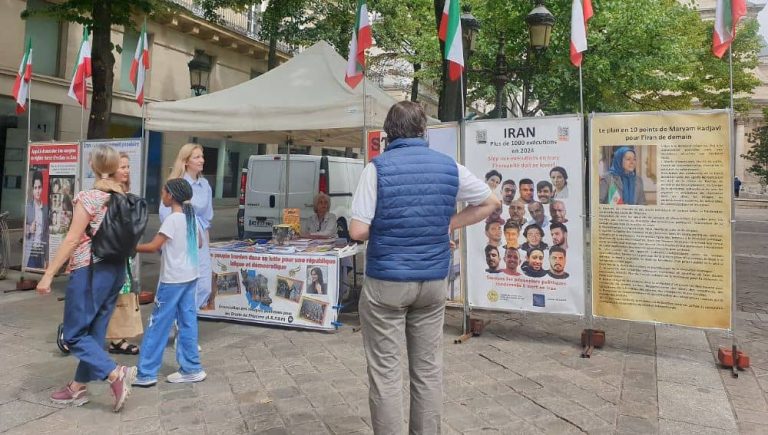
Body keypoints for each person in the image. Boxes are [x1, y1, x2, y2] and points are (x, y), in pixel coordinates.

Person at [349, 101, 499, 434]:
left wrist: (391, 225)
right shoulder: (449, 167)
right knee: (428, 370)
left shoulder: (376, 169)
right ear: (423, 130)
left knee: (386, 374)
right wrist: (449, 224)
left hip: (387, 282)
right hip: (432, 282)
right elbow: (491, 202)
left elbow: (358, 231)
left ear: (388, 132)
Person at [36, 145, 136, 412]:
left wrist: (48, 274)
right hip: (115, 270)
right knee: (94, 333)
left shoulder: (89, 197)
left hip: (90, 270)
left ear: (95, 166)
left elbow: (72, 239)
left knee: (73, 335)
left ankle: (115, 373)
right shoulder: (122, 197)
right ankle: (77, 388)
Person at [133, 178, 206, 387]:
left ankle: (146, 373)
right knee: (187, 322)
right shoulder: (191, 218)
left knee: (157, 324)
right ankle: (192, 368)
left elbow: (154, 246)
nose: (162, 197)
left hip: (172, 280)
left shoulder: (172, 220)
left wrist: (128, 247)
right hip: (190, 277)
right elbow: (200, 243)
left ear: (171, 195)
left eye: (163, 193)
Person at [160, 143, 214, 309]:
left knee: (204, 284)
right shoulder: (176, 183)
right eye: (196, 157)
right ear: (185, 161)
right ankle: (179, 316)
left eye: (202, 156)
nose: (202, 160)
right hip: (181, 236)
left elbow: (207, 217)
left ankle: (186, 313)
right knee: (180, 282)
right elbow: (165, 213)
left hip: (200, 236)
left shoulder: (205, 185)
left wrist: (207, 245)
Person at [106, 153, 142, 356]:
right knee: (110, 294)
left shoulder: (125, 193)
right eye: (122, 167)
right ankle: (115, 338)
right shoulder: (108, 193)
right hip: (111, 253)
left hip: (124, 253)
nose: (127, 171)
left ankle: (117, 338)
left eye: (128, 167)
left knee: (121, 294)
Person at [24, 170, 49, 269]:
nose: (38, 191)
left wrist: (47, 258)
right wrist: (29, 229)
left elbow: (46, 235)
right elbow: (23, 230)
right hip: (31, 252)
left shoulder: (45, 209)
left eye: (39, 187)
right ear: (32, 189)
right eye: (35, 188)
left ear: (42, 188)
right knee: (31, 275)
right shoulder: (28, 207)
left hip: (41, 253)